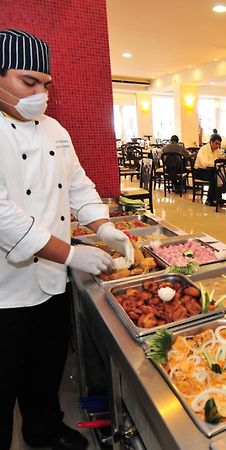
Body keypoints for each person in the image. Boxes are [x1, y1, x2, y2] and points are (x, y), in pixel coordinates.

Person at [0, 29, 134, 450]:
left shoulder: (55, 128)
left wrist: (105, 227)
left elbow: (79, 188)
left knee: (46, 367)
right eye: (28, 81)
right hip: (4, 289)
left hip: (52, 280)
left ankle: (44, 431)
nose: (41, 92)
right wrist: (72, 253)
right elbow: (4, 215)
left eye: (46, 84)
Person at [194, 133, 223, 206]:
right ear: (211, 141)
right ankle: (209, 199)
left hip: (210, 170)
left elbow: (220, 158)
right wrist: (217, 163)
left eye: (219, 144)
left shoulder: (217, 150)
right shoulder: (204, 149)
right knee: (214, 177)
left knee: (220, 175)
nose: (217, 146)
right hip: (199, 171)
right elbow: (205, 164)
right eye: (216, 144)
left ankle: (217, 197)